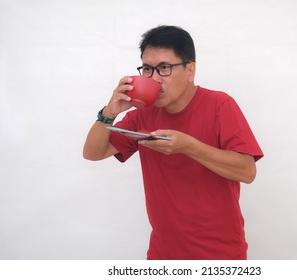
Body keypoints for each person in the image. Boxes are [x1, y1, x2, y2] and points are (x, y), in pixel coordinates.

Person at [83, 25, 263, 260]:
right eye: (147, 69)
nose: (154, 78)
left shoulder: (220, 105)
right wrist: (109, 112)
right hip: (162, 254)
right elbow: (93, 153)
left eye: (164, 68)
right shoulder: (142, 113)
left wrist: (188, 146)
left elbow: (247, 171)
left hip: (220, 255)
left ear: (190, 70)